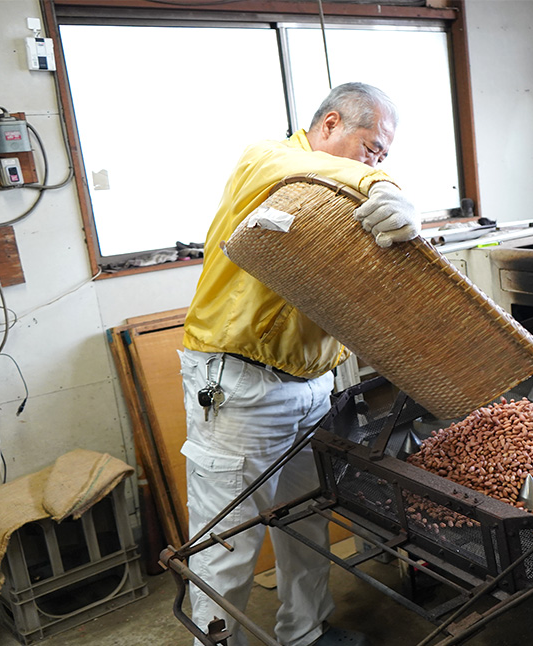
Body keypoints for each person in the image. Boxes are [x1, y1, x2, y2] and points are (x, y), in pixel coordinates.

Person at [179, 82, 419, 646]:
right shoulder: (267, 162)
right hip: (240, 388)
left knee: (305, 524)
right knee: (228, 546)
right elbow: (298, 173)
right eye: (372, 148)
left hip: (312, 388)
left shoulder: (340, 204)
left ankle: (304, 635)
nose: (376, 163)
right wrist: (381, 185)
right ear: (330, 124)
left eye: (384, 158)